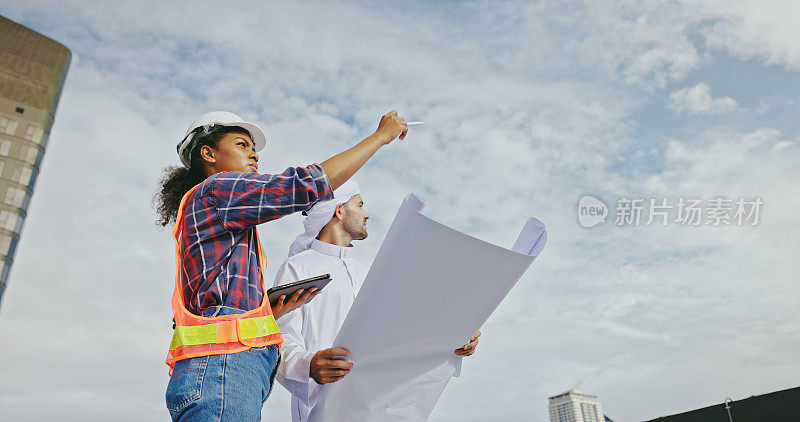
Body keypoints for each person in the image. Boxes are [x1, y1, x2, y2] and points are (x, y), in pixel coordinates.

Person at [154, 110, 408, 421]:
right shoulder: (217, 191)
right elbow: (302, 186)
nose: (254, 154)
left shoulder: (215, 213)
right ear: (208, 154)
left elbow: (217, 303)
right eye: (242, 144)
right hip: (222, 371)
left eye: (254, 148)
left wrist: (267, 310)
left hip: (222, 371)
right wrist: (379, 137)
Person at [273, 181, 481, 422]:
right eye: (360, 205)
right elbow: (278, 338)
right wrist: (308, 365)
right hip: (323, 409)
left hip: (383, 406)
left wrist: (458, 334)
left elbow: (409, 324)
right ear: (339, 211)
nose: (367, 214)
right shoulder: (297, 268)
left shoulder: (373, 270)